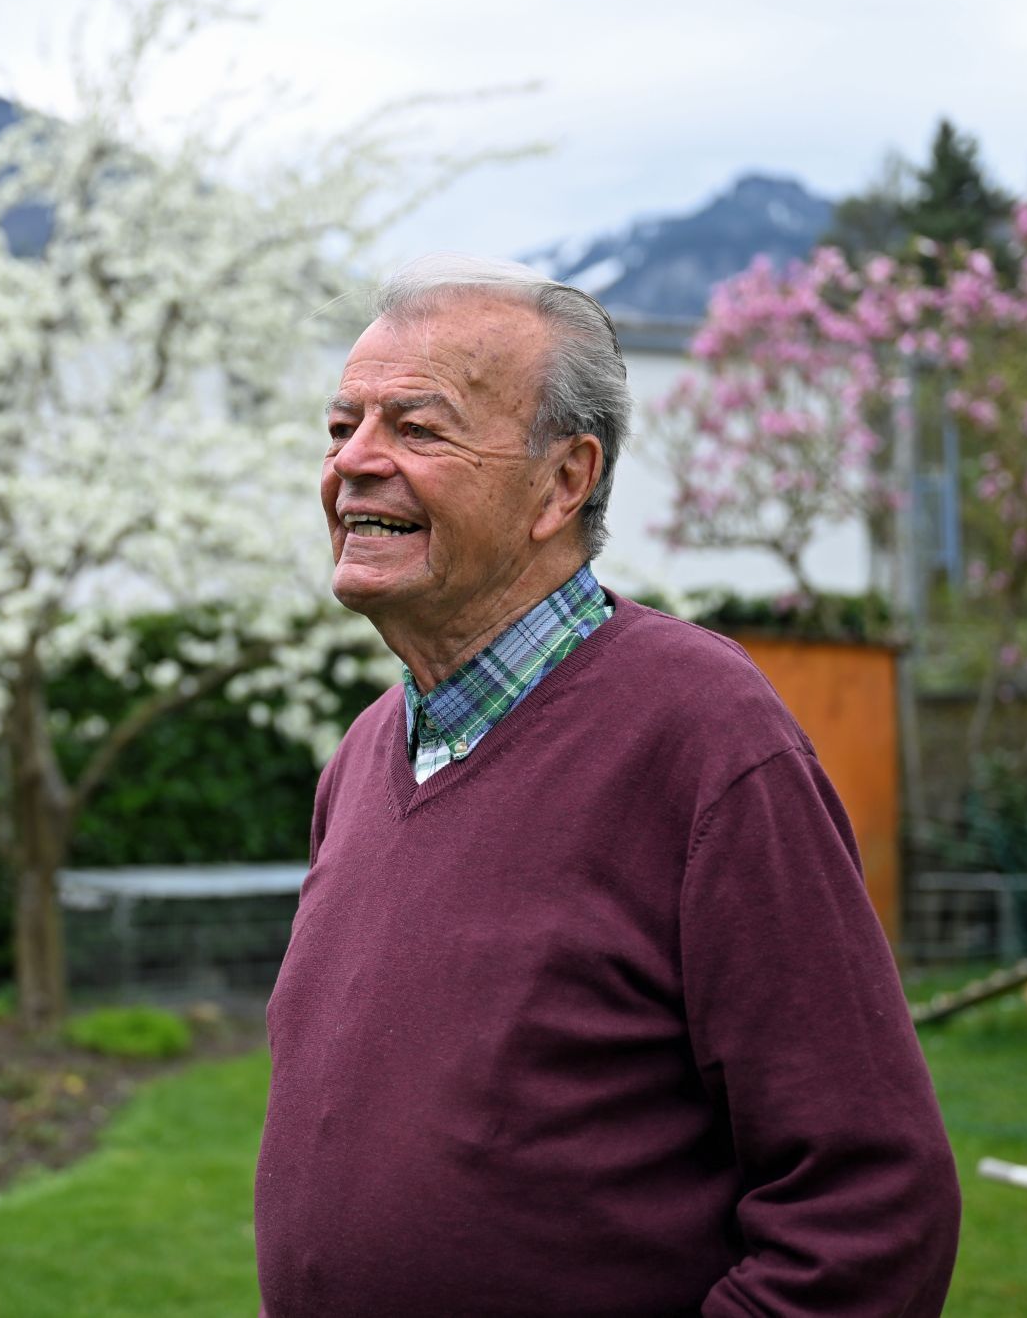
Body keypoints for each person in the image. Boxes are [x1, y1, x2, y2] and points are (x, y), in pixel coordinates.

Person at [253, 255, 961, 1317]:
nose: (354, 462)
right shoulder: (362, 756)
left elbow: (869, 1206)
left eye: (416, 429)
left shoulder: (705, 737)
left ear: (562, 481)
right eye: (340, 426)